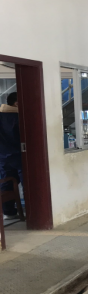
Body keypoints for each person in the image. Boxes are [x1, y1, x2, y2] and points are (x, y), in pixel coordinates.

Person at [0, 92, 23, 221]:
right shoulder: (18, 117)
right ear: (17, 103)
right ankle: (33, 211)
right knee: (27, 183)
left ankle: (8, 212)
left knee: (7, 182)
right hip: (19, 155)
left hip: (3, 156)